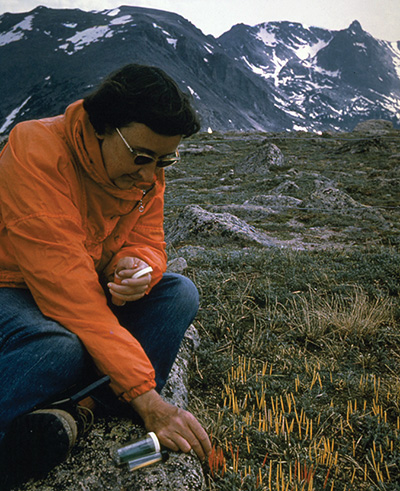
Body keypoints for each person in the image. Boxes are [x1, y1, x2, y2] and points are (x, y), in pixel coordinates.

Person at [0, 64, 211, 488]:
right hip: (12, 286)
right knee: (59, 348)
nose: (151, 175)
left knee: (178, 293)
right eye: (142, 158)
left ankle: (80, 408)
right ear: (102, 127)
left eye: (165, 160)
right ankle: (88, 402)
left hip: (82, 288)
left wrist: (136, 267)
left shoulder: (145, 173)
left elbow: (150, 241)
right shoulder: (36, 147)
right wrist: (147, 399)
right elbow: (67, 289)